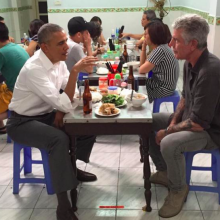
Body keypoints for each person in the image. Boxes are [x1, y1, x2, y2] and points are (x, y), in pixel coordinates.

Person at [6, 23, 98, 220]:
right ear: (45, 47)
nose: (67, 46)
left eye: (66, 41)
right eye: (61, 43)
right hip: (21, 121)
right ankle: (63, 207)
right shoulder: (34, 68)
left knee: (89, 124)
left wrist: (59, 109)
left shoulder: (58, 62)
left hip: (46, 113)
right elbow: (63, 100)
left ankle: (72, 167)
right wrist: (74, 72)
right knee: (58, 140)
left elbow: (67, 96)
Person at [149, 14, 220, 218]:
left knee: (169, 143)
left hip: (210, 130)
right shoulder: (190, 61)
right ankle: (165, 171)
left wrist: (168, 132)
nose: (171, 44)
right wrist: (172, 121)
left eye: (176, 40)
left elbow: (198, 123)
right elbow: (184, 99)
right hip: (194, 119)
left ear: (193, 44)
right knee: (146, 122)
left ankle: (178, 188)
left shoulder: (211, 71)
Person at [139, 20, 179, 103]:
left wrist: (143, 48)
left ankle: (140, 113)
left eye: (146, 34)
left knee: (137, 88)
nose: (144, 36)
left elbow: (142, 69)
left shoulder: (160, 50)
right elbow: (143, 65)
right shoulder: (161, 47)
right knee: (137, 83)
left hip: (163, 89)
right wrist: (143, 47)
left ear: (154, 36)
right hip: (165, 85)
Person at [0, 22, 29, 134]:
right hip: (24, 90)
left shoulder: (2, 52)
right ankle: (2, 128)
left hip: (16, 93)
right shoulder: (16, 47)